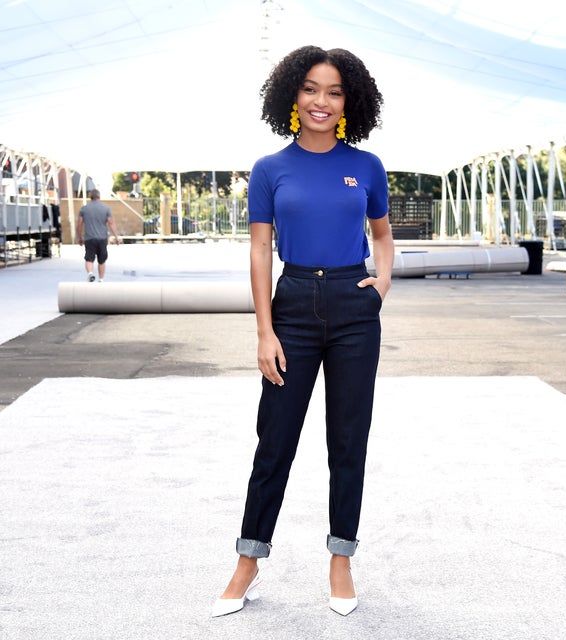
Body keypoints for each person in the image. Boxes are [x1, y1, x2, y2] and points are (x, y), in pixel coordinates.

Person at [211, 45, 394, 618]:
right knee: (276, 441)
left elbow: (382, 235)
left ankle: (341, 559)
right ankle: (249, 559)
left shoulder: (366, 167)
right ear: (293, 94)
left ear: (349, 102)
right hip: (290, 307)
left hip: (352, 308)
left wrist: (381, 285)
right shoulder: (270, 170)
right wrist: (265, 330)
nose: (321, 100)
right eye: (311, 88)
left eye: (334, 91)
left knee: (348, 441)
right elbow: (261, 249)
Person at [76, 189, 120, 281]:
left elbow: (79, 223)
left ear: (90, 197)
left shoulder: (84, 209)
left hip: (89, 238)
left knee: (89, 258)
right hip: (102, 238)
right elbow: (111, 223)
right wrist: (116, 237)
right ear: (99, 197)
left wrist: (79, 237)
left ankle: (90, 273)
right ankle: (101, 279)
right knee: (102, 260)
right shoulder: (106, 208)